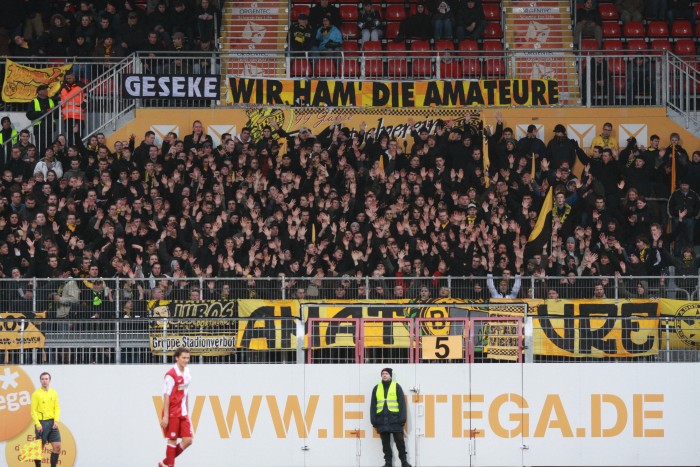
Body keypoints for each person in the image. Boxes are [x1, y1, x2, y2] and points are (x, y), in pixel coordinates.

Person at [159, 347, 193, 467]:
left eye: (188, 358)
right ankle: (170, 465)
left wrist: (187, 411)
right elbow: (166, 395)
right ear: (176, 358)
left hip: (183, 412)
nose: (186, 360)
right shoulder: (171, 375)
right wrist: (166, 416)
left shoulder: (187, 372)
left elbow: (185, 392)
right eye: (183, 358)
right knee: (172, 439)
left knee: (188, 440)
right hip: (172, 412)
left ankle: (165, 462)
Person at [370, 368, 412, 467]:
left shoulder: (397, 387)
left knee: (400, 442)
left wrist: (402, 419)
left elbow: (402, 404)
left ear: (390, 376)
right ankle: (388, 463)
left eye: (386, 373)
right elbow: (373, 405)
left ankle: (404, 462)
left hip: (395, 420)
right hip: (381, 421)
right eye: (383, 374)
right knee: (385, 444)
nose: (384, 375)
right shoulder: (376, 388)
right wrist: (374, 421)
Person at [30, 372, 62, 467]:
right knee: (39, 449)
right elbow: (33, 410)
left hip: (53, 423)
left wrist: (56, 421)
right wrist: (38, 424)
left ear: (49, 380)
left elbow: (57, 408)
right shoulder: (36, 394)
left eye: (46, 379)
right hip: (42, 423)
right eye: (43, 379)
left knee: (57, 447)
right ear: (40, 381)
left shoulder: (54, 393)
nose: (44, 381)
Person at [59, 71, 87, 147]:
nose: (68, 80)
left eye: (70, 78)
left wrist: (82, 106)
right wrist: (61, 110)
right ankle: (71, 150)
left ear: (74, 77)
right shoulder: (63, 86)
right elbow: (61, 99)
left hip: (78, 115)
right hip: (67, 115)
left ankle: (79, 150)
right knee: (69, 135)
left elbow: (86, 97)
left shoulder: (81, 85)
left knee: (79, 135)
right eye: (67, 78)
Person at [26, 85, 56, 152]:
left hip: (50, 128)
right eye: (44, 90)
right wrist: (42, 112)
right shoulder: (33, 102)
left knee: (50, 149)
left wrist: (54, 112)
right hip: (39, 129)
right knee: (40, 149)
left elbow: (56, 115)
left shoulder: (51, 101)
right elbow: (29, 115)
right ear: (39, 92)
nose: (46, 91)